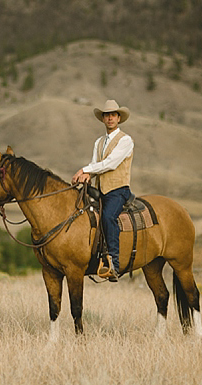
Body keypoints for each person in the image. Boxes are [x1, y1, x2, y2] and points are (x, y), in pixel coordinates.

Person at [72, 99, 134, 282]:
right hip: (100, 190)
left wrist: (86, 170)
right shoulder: (98, 142)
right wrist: (86, 176)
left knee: (107, 217)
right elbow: (95, 164)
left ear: (119, 118)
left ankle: (114, 262)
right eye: (107, 115)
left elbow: (110, 163)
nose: (110, 118)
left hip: (118, 190)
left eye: (113, 115)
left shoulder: (126, 140)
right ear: (103, 119)